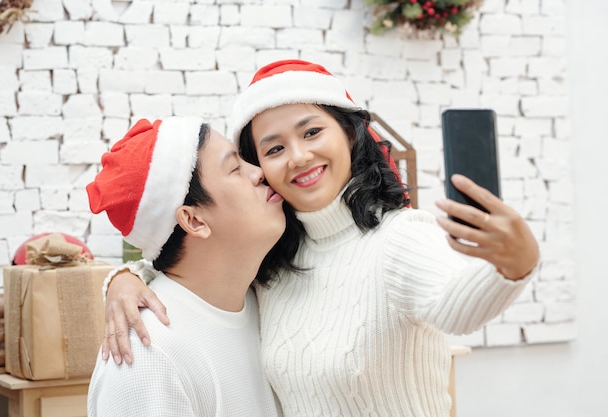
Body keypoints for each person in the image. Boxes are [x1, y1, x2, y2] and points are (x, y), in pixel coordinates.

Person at [102, 60, 540, 417]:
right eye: (272, 150)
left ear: (349, 134)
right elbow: (196, 269)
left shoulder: (400, 235)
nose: (298, 157)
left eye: (312, 132)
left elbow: (455, 306)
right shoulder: (271, 266)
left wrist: (516, 264)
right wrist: (123, 278)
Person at [85, 116, 285, 416]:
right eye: (235, 168)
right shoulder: (147, 354)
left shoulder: (267, 301)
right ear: (193, 220)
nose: (259, 172)